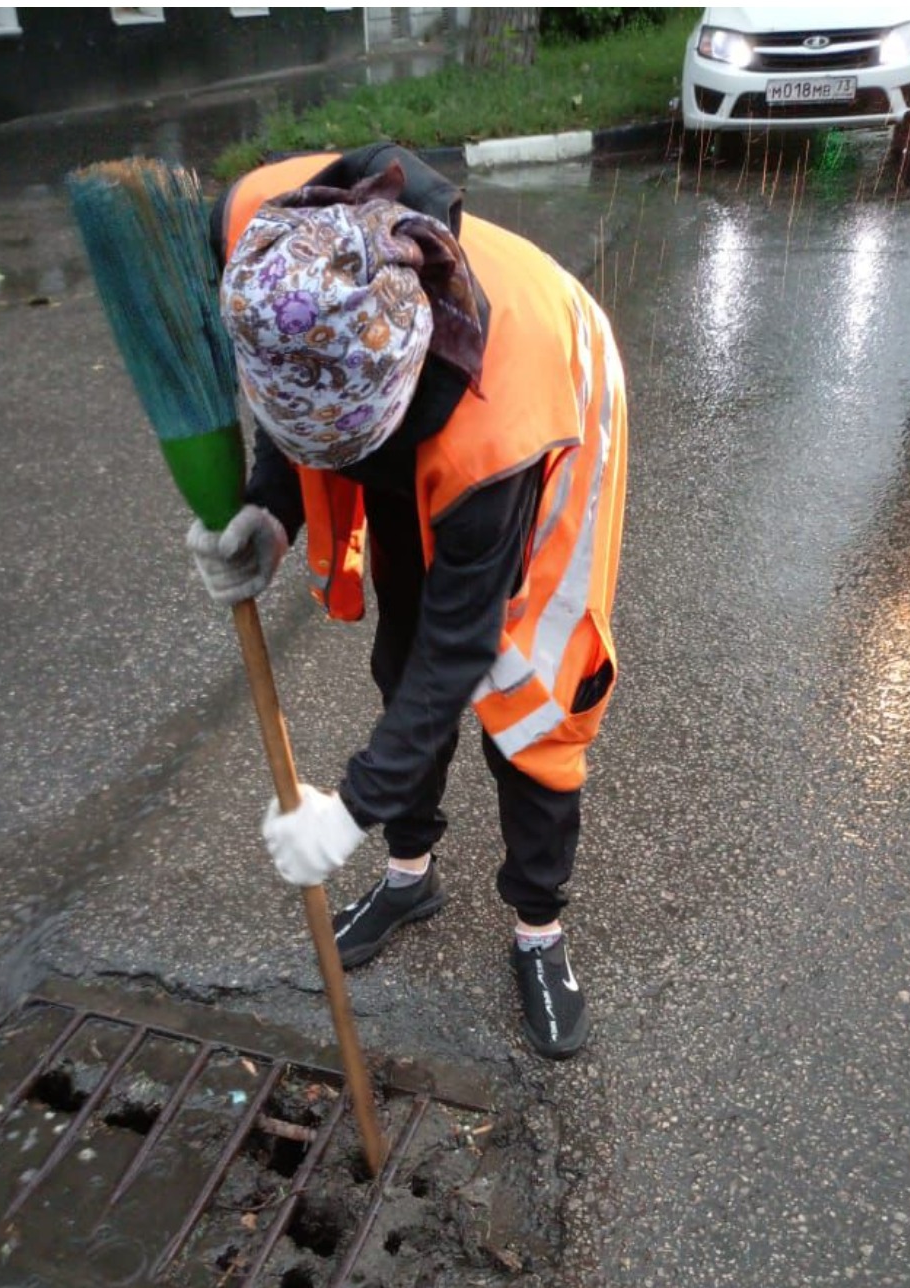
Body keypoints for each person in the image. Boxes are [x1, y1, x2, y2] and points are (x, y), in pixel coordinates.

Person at [188, 144, 627, 1059]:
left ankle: (539, 930)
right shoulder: (266, 230)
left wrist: (344, 810)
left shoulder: (495, 436)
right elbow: (289, 402)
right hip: (389, 407)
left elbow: (458, 648)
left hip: (551, 413)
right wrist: (269, 512)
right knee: (400, 662)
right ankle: (410, 872)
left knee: (532, 697)